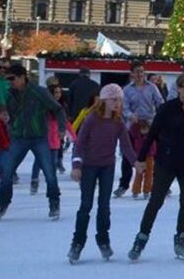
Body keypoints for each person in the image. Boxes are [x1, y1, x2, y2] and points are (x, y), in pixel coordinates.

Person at [128, 72, 184, 263]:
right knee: (156, 201)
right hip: (166, 161)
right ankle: (141, 238)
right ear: (179, 89)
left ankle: (181, 239)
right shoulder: (167, 109)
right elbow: (152, 134)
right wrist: (141, 159)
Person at [68, 84, 137, 263]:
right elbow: (80, 144)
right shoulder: (91, 119)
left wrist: (136, 162)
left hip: (107, 166)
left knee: (104, 205)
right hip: (89, 166)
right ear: (104, 100)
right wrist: (76, 165)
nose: (118, 103)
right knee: (86, 205)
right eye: (115, 99)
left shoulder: (118, 121)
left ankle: (103, 240)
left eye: (120, 100)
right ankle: (77, 243)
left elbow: (126, 146)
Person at [0, 64, 67, 222]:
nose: (10, 82)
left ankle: (54, 203)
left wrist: (61, 128)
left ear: (22, 77)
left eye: (13, 78)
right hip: (19, 138)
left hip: (39, 137)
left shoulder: (39, 92)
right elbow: (10, 115)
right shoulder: (9, 94)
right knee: (7, 172)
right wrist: (10, 126)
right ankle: (2, 204)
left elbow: (57, 109)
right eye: (8, 79)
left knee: (49, 172)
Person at [120, 62, 164, 198]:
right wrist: (130, 115)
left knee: (154, 155)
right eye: (137, 71)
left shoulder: (152, 87)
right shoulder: (127, 90)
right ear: (132, 74)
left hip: (150, 124)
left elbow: (160, 102)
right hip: (134, 125)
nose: (140, 74)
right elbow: (124, 107)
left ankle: (157, 184)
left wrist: (158, 117)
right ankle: (124, 184)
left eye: (142, 71)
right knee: (129, 155)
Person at [130, 119, 154, 200]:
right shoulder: (137, 136)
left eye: (146, 129)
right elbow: (132, 130)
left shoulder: (151, 136)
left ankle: (147, 190)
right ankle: (135, 190)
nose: (144, 131)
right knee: (138, 174)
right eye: (142, 129)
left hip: (149, 157)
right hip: (140, 157)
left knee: (149, 174)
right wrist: (135, 123)